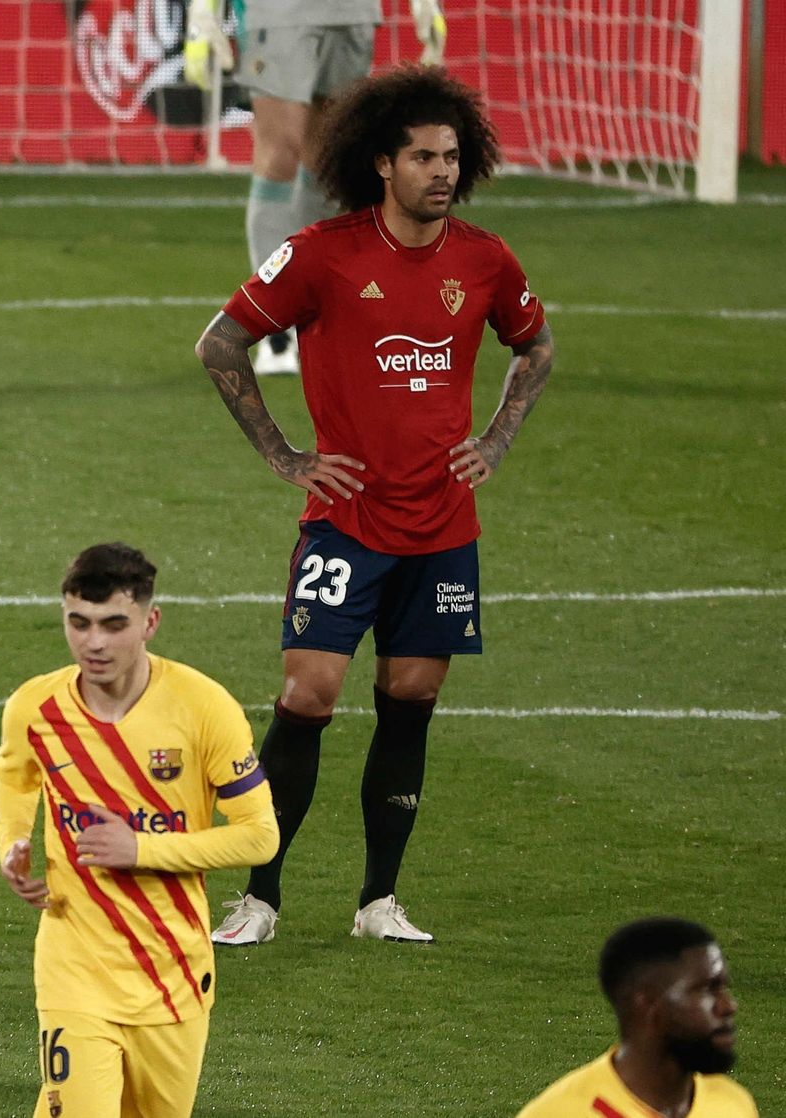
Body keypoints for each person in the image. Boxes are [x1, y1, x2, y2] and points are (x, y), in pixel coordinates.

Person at [195, 67, 555, 946]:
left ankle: (378, 903)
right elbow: (221, 343)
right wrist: (284, 454)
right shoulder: (322, 253)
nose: (442, 171)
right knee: (307, 694)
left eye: (452, 156)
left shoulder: (485, 259)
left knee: (411, 697)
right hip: (346, 523)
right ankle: (260, 899)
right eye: (423, 157)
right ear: (383, 164)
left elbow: (536, 347)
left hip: (444, 528)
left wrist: (497, 440)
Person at [0, 542, 278, 1117]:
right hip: (74, 969)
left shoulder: (204, 708)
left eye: (113, 625)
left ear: (150, 622)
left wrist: (141, 848)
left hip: (172, 977)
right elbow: (15, 779)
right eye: (79, 623)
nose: (93, 643)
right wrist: (14, 843)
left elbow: (259, 835)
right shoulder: (35, 708)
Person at [184, 0, 446, 376]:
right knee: (279, 153)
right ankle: (274, 328)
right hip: (279, 12)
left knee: (328, 157)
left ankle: (314, 309)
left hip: (352, 12)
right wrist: (202, 13)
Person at [516, 918, 756, 1118]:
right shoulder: (562, 1112)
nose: (728, 1006)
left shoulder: (733, 1104)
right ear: (647, 1003)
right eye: (707, 989)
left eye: (724, 988)